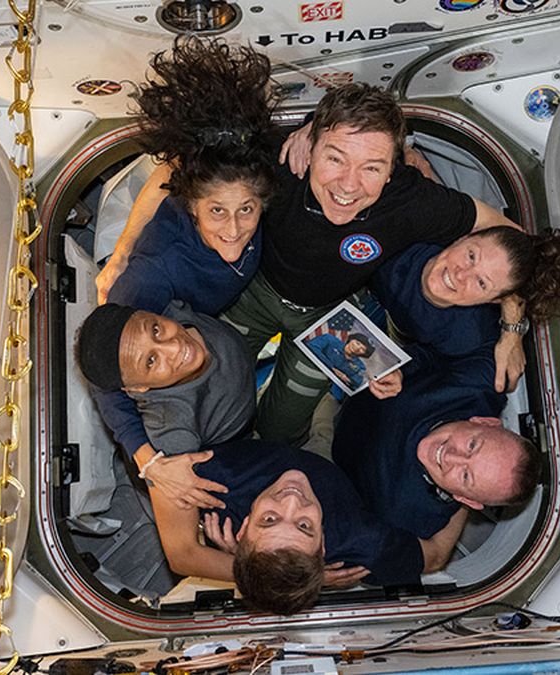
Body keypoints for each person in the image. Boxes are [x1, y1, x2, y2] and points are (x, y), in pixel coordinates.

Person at [100, 83, 526, 445]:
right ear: (312, 143)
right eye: (335, 157)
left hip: (330, 315)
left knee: (280, 429)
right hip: (254, 293)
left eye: (372, 167)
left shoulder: (412, 200)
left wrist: (511, 329)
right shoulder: (282, 162)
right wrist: (123, 251)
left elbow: (517, 243)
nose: (348, 184)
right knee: (213, 389)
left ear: (393, 169)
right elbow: (178, 166)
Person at [90, 38, 279, 510]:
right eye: (216, 211)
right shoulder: (153, 274)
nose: (233, 229)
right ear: (190, 205)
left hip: (233, 305)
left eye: (246, 211)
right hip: (210, 314)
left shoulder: (245, 170)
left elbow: (177, 168)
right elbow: (106, 374)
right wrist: (147, 459)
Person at [149, 439, 468, 615]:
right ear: (325, 547)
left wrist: (253, 565)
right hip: (330, 455)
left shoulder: (208, 479)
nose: (291, 500)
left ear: (244, 528)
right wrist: (467, 487)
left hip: (256, 441)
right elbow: (437, 555)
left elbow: (181, 555)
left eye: (269, 520)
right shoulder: (359, 540)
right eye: (304, 525)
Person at [332, 357, 542, 540]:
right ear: (485, 422)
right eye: (472, 445)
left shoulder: (407, 518)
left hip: (326, 452)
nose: (452, 457)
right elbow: (437, 348)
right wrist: (400, 368)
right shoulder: (477, 385)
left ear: (465, 500)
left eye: (466, 476)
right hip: (350, 376)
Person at [76, 301, 254, 510]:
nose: (175, 346)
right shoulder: (171, 428)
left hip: (245, 359)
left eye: (156, 330)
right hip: (240, 432)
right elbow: (178, 542)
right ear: (138, 388)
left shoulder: (167, 306)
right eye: (151, 361)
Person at [371, 226, 560, 375]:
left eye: (482, 283)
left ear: (496, 300)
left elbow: (426, 360)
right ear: (463, 237)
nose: (461, 274)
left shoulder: (466, 335)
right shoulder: (419, 228)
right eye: (471, 256)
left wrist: (398, 373)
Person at [303, 332, 373, 390]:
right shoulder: (329, 340)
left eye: (363, 349)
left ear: (365, 354)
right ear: (351, 339)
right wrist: (332, 368)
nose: (357, 348)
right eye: (357, 343)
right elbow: (312, 346)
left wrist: (346, 378)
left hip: (330, 390)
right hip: (309, 372)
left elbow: (356, 384)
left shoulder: (360, 366)